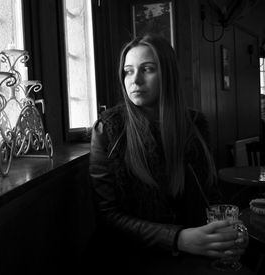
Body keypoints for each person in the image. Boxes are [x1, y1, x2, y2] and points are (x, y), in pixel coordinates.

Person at [87, 34, 248, 274]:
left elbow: (210, 196)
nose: (136, 80)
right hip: (134, 259)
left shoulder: (194, 124)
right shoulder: (110, 128)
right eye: (128, 71)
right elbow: (108, 217)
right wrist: (178, 239)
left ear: (168, 75)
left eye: (147, 69)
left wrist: (226, 233)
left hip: (197, 255)